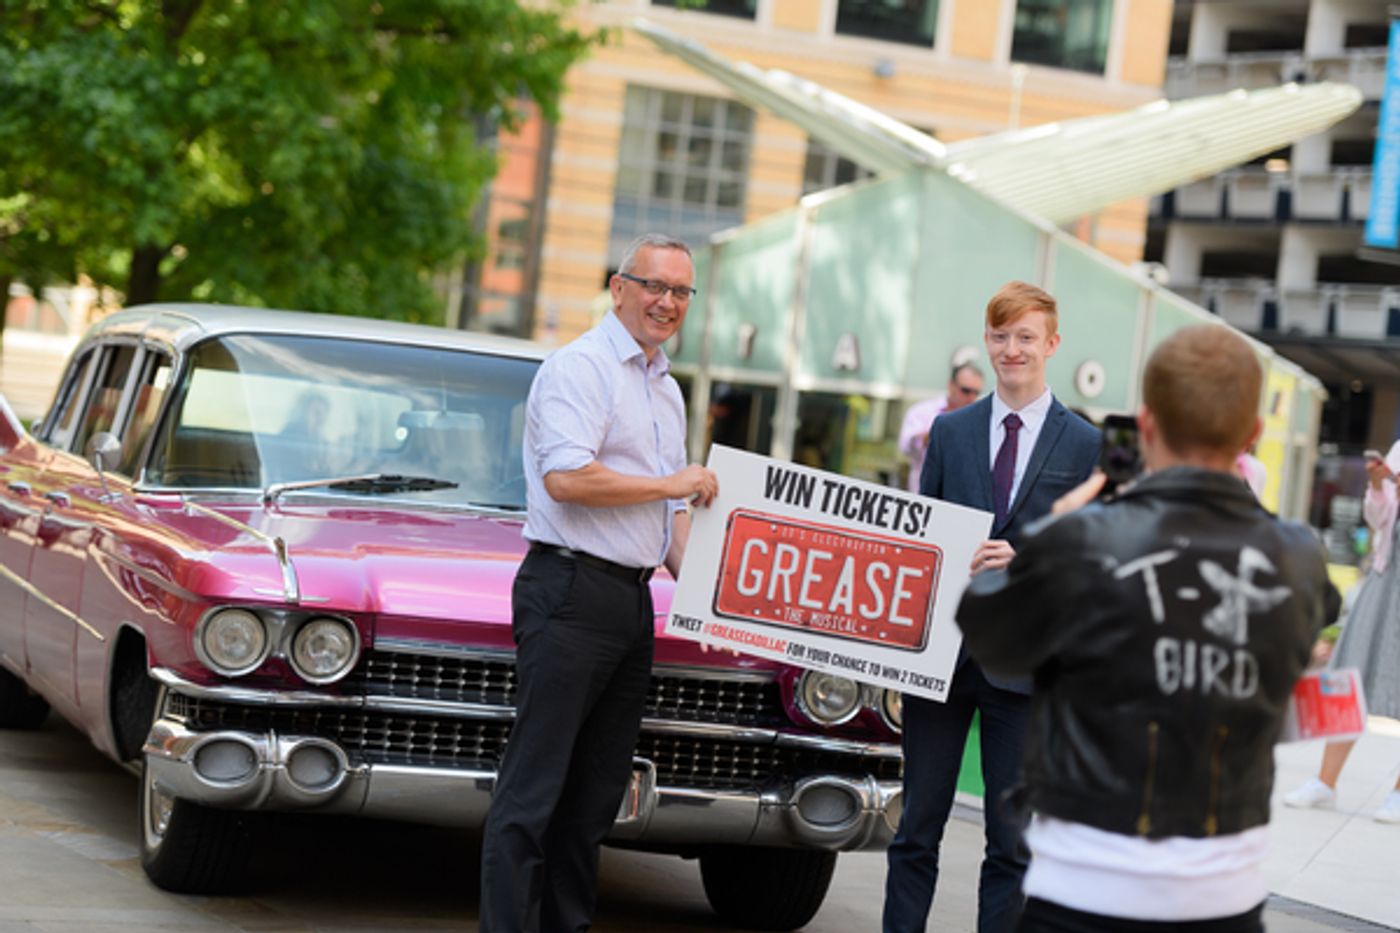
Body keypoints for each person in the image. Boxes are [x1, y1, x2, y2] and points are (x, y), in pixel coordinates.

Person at [956, 324, 1339, 932]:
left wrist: (1054, 527)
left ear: (1147, 425)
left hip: (1081, 887)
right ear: (1253, 436)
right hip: (1224, 897)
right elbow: (1320, 611)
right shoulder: (1296, 554)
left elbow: (988, 630)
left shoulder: (1082, 537)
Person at [478, 234, 719, 933]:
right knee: (533, 790)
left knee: (593, 800)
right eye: (654, 286)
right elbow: (568, 477)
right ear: (619, 288)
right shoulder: (580, 368)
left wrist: (715, 601)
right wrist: (671, 483)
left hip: (631, 600)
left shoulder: (665, 388)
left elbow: (670, 519)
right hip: (569, 589)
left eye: (681, 291)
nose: (667, 302)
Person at [884, 281, 1100, 933]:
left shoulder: (1084, 444)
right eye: (1000, 336)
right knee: (916, 829)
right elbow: (923, 542)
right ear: (987, 340)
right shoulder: (949, 432)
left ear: (1052, 344)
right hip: (941, 661)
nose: (1012, 349)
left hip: (1026, 667)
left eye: (1025, 337)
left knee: (1011, 845)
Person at [1283, 440, 1400, 823]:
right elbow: (1376, 520)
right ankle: (1325, 782)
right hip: (1385, 577)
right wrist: (1379, 486)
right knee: (1352, 675)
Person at [897, 362, 986, 492]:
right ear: (951, 385)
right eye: (966, 391)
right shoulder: (922, 412)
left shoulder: (980, 421)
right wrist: (928, 438)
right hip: (922, 495)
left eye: (976, 393)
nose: (971, 398)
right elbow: (906, 448)